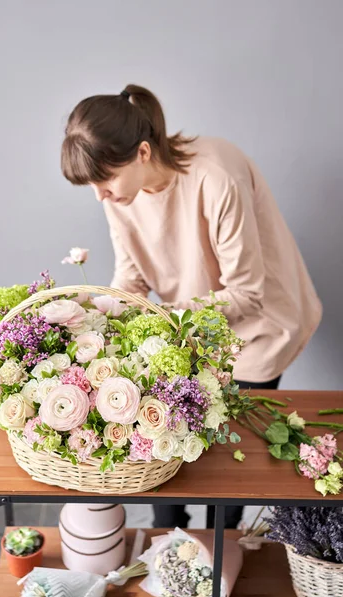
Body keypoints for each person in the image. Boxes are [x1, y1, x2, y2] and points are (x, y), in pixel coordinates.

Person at [60, 84, 323, 529]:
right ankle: (170, 538)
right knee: (163, 442)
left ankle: (222, 547)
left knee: (228, 463)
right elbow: (132, 277)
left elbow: (247, 294)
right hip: (194, 324)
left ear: (142, 152)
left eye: (104, 180)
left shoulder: (215, 176)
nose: (100, 195)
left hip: (260, 326)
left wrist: (159, 320)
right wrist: (99, 318)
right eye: (91, 185)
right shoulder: (120, 193)